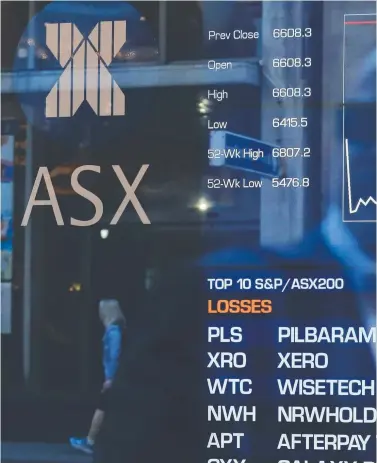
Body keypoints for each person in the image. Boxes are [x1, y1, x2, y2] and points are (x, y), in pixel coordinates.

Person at [70, 299, 125, 455]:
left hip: (111, 378)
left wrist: (110, 378)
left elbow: (113, 356)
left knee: (102, 408)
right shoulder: (114, 330)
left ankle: (90, 441)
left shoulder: (113, 332)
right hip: (112, 377)